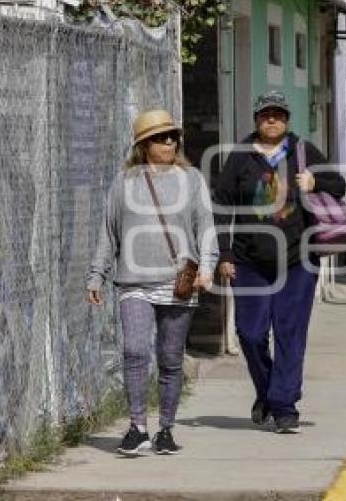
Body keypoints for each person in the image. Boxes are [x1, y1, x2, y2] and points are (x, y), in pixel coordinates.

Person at [85, 109, 218, 456]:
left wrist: (207, 266)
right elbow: (108, 232)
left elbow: (206, 227)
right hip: (133, 283)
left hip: (177, 282)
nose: (170, 142)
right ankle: (137, 427)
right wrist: (96, 274)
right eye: (161, 137)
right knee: (134, 351)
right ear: (143, 145)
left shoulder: (191, 179)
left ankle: (166, 429)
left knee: (171, 358)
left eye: (173, 136)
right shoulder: (123, 182)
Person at [213, 90, 346, 434]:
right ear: (256, 118)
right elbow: (222, 206)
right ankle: (268, 392)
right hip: (249, 262)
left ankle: (285, 407)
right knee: (250, 333)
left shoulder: (302, 151)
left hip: (298, 261)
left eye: (279, 114)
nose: (272, 119)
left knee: (290, 334)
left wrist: (315, 180)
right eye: (266, 114)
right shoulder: (240, 157)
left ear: (287, 119)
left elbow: (340, 185)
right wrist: (225, 254)